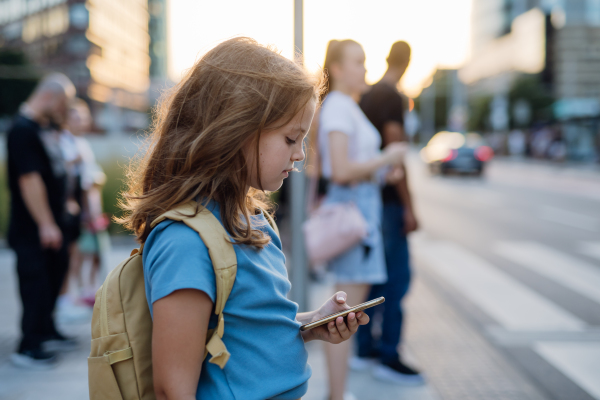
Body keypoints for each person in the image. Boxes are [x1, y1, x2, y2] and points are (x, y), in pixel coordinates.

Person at [117, 37, 370, 400]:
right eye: (290, 138)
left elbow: (246, 327)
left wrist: (311, 324)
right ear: (236, 129)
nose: (300, 154)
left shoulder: (254, 222)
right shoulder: (185, 241)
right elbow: (173, 390)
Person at [317, 39, 407, 400]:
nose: (365, 68)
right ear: (337, 69)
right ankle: (336, 395)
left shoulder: (347, 107)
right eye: (357, 62)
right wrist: (387, 159)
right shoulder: (339, 107)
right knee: (344, 314)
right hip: (354, 225)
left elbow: (353, 169)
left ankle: (338, 393)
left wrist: (382, 173)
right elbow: (339, 171)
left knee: (348, 311)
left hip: (362, 222)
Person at [354, 40, 424, 385]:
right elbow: (396, 152)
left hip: (367, 200)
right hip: (387, 203)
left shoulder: (366, 96)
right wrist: (409, 206)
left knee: (373, 275)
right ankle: (389, 354)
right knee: (396, 279)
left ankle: (365, 348)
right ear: (408, 62)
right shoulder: (392, 97)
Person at [6, 73, 78, 369]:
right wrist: (46, 223)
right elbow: (29, 179)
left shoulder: (43, 129)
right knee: (35, 282)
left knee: (53, 275)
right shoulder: (22, 130)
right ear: (48, 97)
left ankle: (46, 330)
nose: (64, 111)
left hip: (54, 223)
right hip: (32, 227)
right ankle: (28, 346)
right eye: (63, 104)